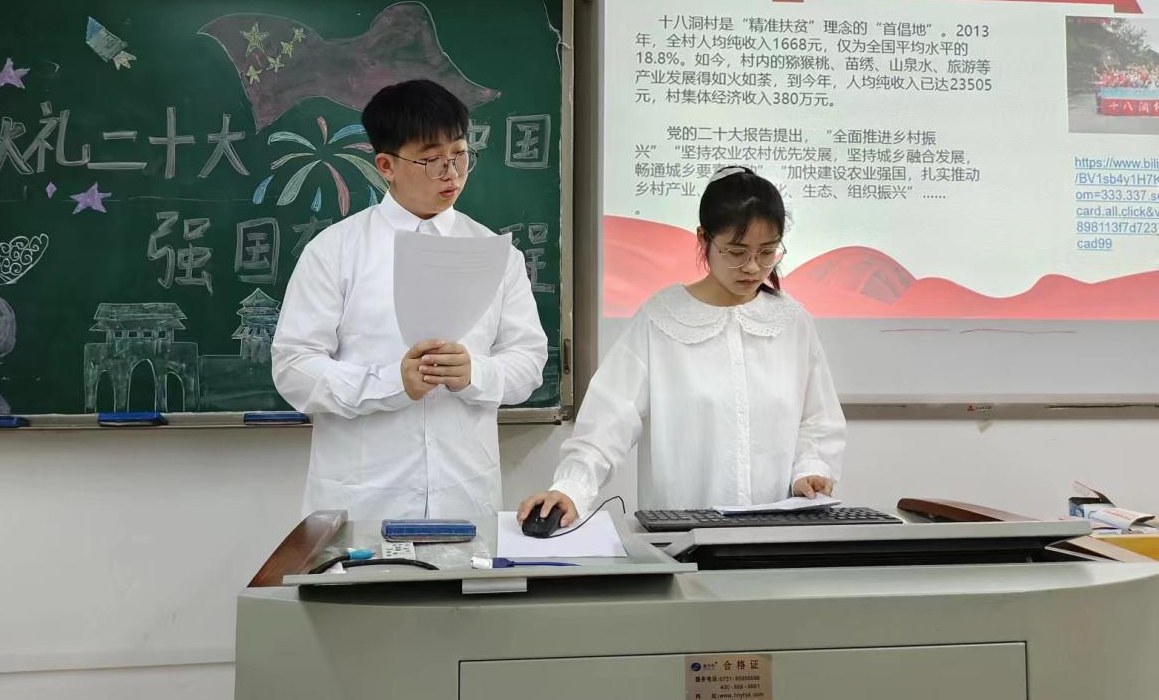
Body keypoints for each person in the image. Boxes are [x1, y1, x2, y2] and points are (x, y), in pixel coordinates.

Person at [273, 79, 548, 523]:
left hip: (464, 498)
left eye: (460, 154)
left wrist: (475, 373)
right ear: (386, 165)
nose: (452, 173)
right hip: (362, 504)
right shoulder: (335, 251)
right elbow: (293, 369)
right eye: (432, 160)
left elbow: (529, 362)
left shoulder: (495, 253)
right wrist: (390, 383)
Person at [519, 166, 844, 528]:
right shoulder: (662, 319)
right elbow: (608, 420)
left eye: (767, 252)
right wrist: (570, 488)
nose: (753, 267)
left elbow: (818, 420)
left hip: (775, 535)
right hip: (683, 534)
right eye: (736, 252)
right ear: (704, 238)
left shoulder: (791, 323)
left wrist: (810, 470)